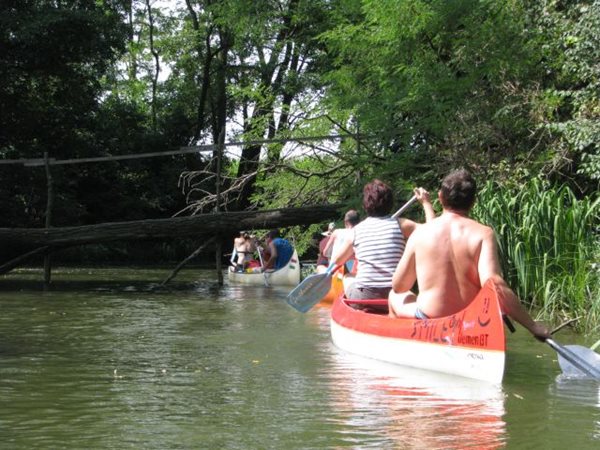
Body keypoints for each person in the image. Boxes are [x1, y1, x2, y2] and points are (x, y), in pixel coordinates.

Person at [388, 169, 550, 339]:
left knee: (393, 296)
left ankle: (402, 343)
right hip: (468, 322)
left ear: (440, 197)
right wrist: (533, 326)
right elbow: (494, 283)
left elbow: (399, 286)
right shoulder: (483, 234)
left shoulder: (420, 232)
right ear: (473, 202)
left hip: (430, 319)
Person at [330, 179, 435, 299]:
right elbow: (432, 231)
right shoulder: (401, 225)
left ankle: (351, 305)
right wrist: (426, 203)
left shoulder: (356, 231)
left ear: (365, 205)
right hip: (395, 294)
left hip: (364, 296)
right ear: (390, 203)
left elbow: (336, 261)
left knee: (348, 277)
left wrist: (353, 252)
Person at [323, 210, 360, 274]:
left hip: (335, 272)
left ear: (346, 222)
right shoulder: (360, 234)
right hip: (354, 272)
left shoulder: (336, 232)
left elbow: (325, 252)